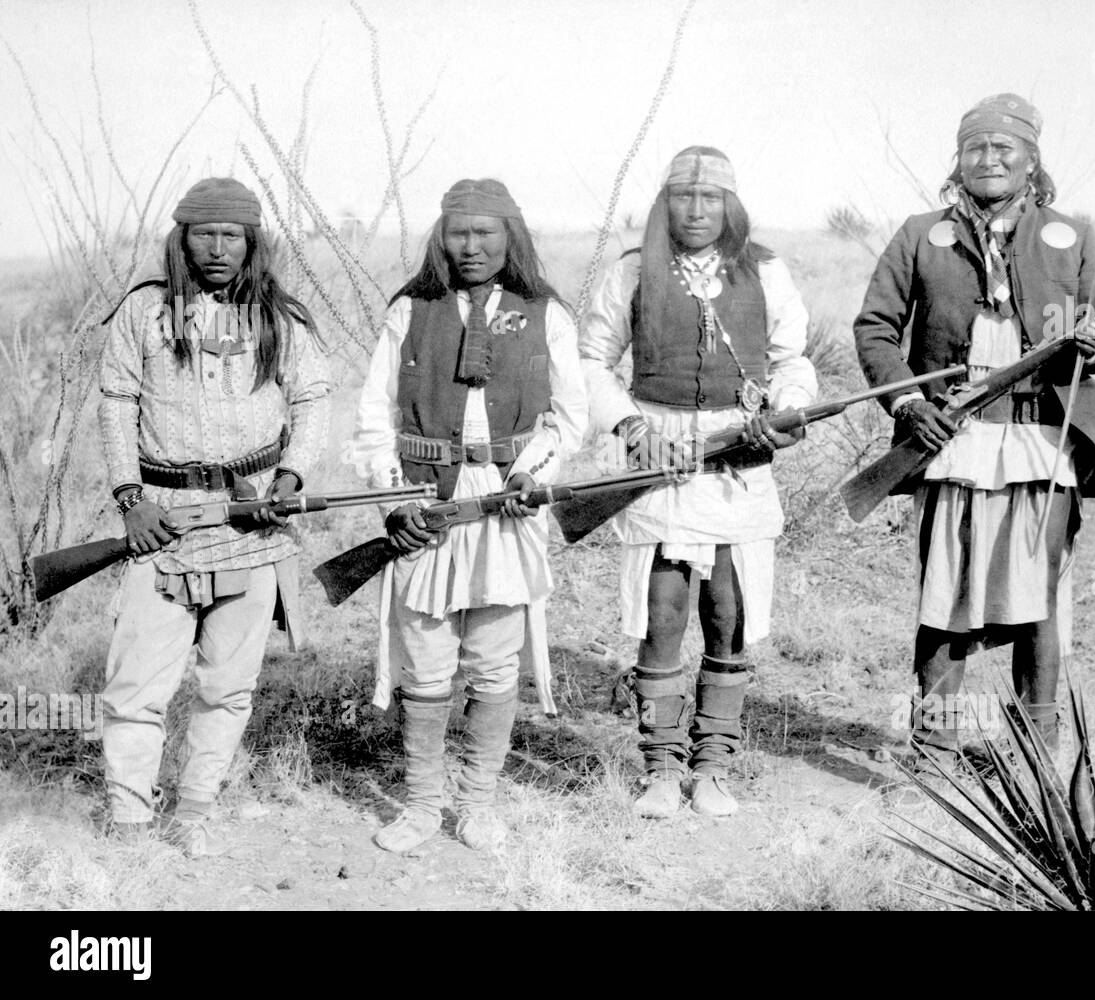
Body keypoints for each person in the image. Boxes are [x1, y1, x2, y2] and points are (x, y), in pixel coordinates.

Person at [853, 94, 1095, 766]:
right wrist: (908, 404)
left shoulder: (1074, 235)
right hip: (952, 442)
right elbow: (875, 329)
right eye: (976, 147)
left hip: (1041, 442)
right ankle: (934, 749)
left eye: (1005, 148)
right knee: (943, 597)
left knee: (1038, 599)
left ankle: (1037, 755)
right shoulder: (921, 234)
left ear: (1031, 161)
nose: (990, 159)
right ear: (959, 160)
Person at [351, 178, 587, 854]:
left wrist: (529, 474)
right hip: (425, 499)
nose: (473, 246)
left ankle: (478, 805)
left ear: (510, 236)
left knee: (492, 659)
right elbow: (372, 415)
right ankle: (423, 806)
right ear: (441, 236)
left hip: (506, 503)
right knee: (425, 659)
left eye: (486, 233)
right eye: (460, 232)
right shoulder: (411, 309)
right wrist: (396, 496)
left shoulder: (546, 312)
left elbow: (570, 419)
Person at [582, 146, 817, 818]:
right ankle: (659, 765)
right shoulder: (632, 271)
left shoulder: (765, 271)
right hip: (659, 462)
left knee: (729, 615)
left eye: (710, 198)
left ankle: (713, 765)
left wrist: (786, 410)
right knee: (662, 615)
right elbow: (592, 361)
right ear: (665, 203)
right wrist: (630, 425)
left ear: (730, 205)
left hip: (738, 462)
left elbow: (791, 358)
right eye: (683, 196)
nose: (696, 210)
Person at [99, 177, 331, 856]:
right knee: (137, 683)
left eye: (233, 235)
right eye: (206, 234)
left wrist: (290, 476)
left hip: (252, 521)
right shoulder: (143, 313)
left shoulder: (279, 316)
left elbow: (314, 399)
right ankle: (129, 817)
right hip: (163, 519)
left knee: (229, 683)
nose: (219, 248)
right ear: (183, 237)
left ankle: (195, 809)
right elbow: (116, 403)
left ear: (252, 241)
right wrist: (129, 499)